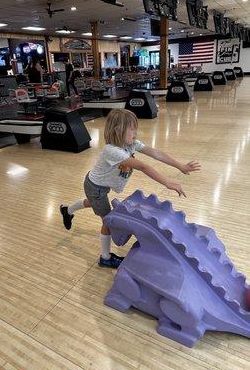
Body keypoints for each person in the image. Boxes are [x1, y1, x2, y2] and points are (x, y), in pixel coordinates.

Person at [60, 109, 201, 268]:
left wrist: (180, 166)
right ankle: (105, 257)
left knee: (92, 203)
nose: (136, 132)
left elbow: (156, 154)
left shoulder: (131, 144)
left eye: (136, 128)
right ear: (118, 130)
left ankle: (67, 210)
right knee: (108, 221)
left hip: (99, 186)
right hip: (95, 187)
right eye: (132, 128)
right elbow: (143, 166)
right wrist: (168, 183)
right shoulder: (111, 151)